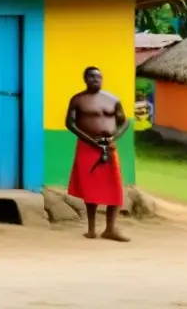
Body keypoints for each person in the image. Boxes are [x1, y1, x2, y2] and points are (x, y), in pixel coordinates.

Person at [66, 66, 130, 242]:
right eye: (92, 77)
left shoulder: (113, 99)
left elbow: (125, 122)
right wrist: (91, 141)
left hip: (109, 147)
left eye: (99, 77)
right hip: (87, 147)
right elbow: (70, 124)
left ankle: (110, 229)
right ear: (85, 79)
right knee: (90, 188)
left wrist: (114, 137)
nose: (96, 79)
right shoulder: (78, 100)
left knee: (115, 187)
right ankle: (91, 229)